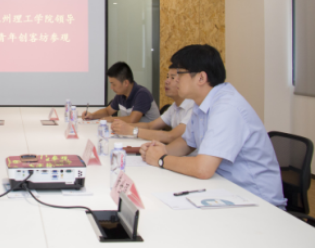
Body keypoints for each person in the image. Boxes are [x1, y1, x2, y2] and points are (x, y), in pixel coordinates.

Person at [140, 44, 286, 208]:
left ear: (201, 78)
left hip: (257, 201)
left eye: (179, 73)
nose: (175, 80)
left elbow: (203, 169)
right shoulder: (201, 103)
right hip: (224, 189)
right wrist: (159, 151)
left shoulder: (226, 107)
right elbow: (187, 143)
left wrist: (162, 159)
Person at [111, 66, 195, 142]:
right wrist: (124, 126)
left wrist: (132, 130)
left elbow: (171, 136)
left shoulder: (193, 107)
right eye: (167, 77)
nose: (166, 81)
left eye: (172, 78)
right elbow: (150, 126)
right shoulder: (174, 107)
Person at [83, 62, 160, 123]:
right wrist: (92, 115)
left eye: (114, 84)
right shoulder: (120, 95)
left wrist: (111, 119)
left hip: (150, 136)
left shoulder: (142, 94)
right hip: (133, 134)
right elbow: (108, 111)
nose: (111, 87)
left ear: (126, 83)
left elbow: (132, 120)